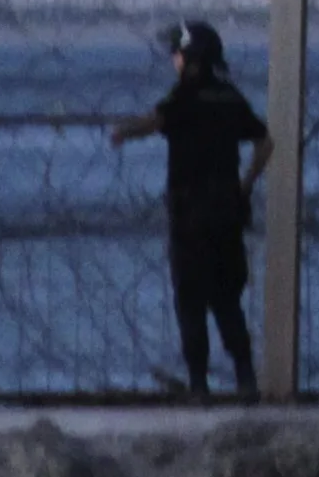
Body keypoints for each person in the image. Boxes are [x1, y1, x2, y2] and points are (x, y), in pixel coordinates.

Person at [112, 20, 271, 397]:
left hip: (191, 213)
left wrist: (122, 131)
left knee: (191, 298)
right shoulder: (229, 96)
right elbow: (265, 141)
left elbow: (157, 121)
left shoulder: (186, 95)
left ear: (193, 59)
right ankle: (245, 378)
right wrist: (245, 185)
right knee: (227, 297)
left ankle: (199, 385)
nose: (174, 60)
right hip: (227, 211)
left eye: (178, 54)